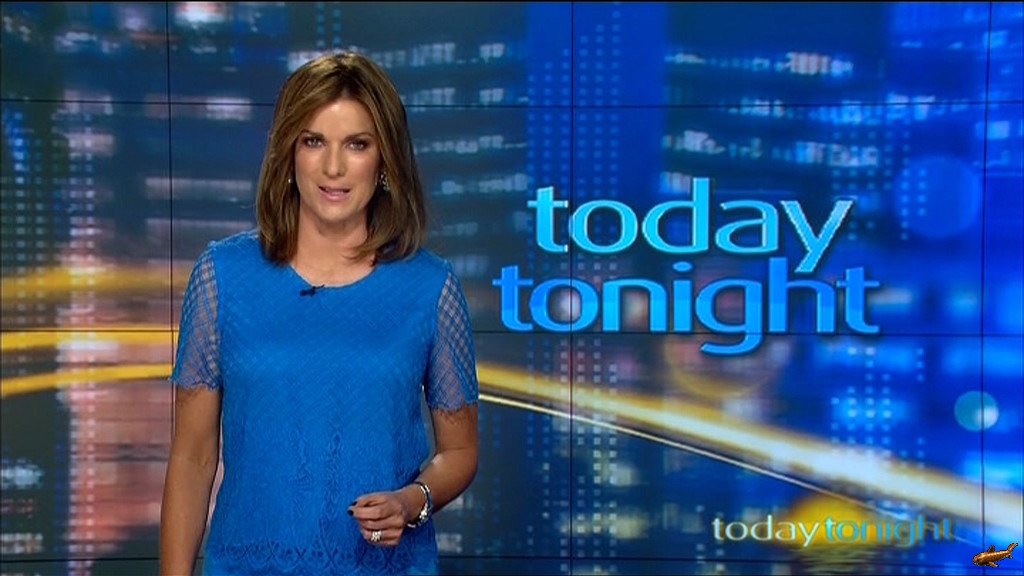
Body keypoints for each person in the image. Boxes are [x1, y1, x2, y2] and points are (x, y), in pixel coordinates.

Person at [159, 51, 480, 576]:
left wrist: (411, 502)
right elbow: (193, 457)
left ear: (384, 161)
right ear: (288, 151)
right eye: (314, 141)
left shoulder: (430, 287)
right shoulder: (222, 276)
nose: (333, 167)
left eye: (357, 144)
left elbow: (460, 452)